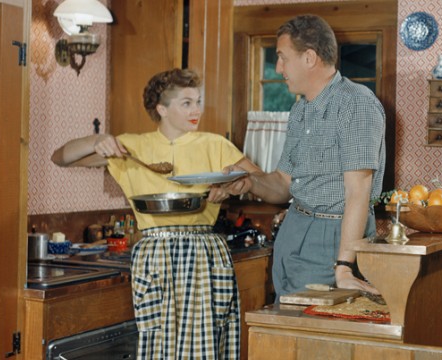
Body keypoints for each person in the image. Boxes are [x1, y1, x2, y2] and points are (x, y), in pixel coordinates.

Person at [51, 68, 260, 359]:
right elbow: (60, 157)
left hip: (204, 249)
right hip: (154, 251)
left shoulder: (214, 144)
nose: (196, 110)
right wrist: (97, 140)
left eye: (197, 102)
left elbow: (259, 179)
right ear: (161, 108)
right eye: (186, 103)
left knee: (208, 344)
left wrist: (235, 186)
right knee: (157, 344)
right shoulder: (131, 147)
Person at [223, 14, 386, 299]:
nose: (278, 68)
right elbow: (283, 183)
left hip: (333, 236)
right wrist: (249, 182)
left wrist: (345, 266)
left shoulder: (356, 103)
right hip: (294, 230)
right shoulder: (300, 111)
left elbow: (358, 192)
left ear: (309, 58)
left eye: (283, 58)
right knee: (285, 329)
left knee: (314, 334)